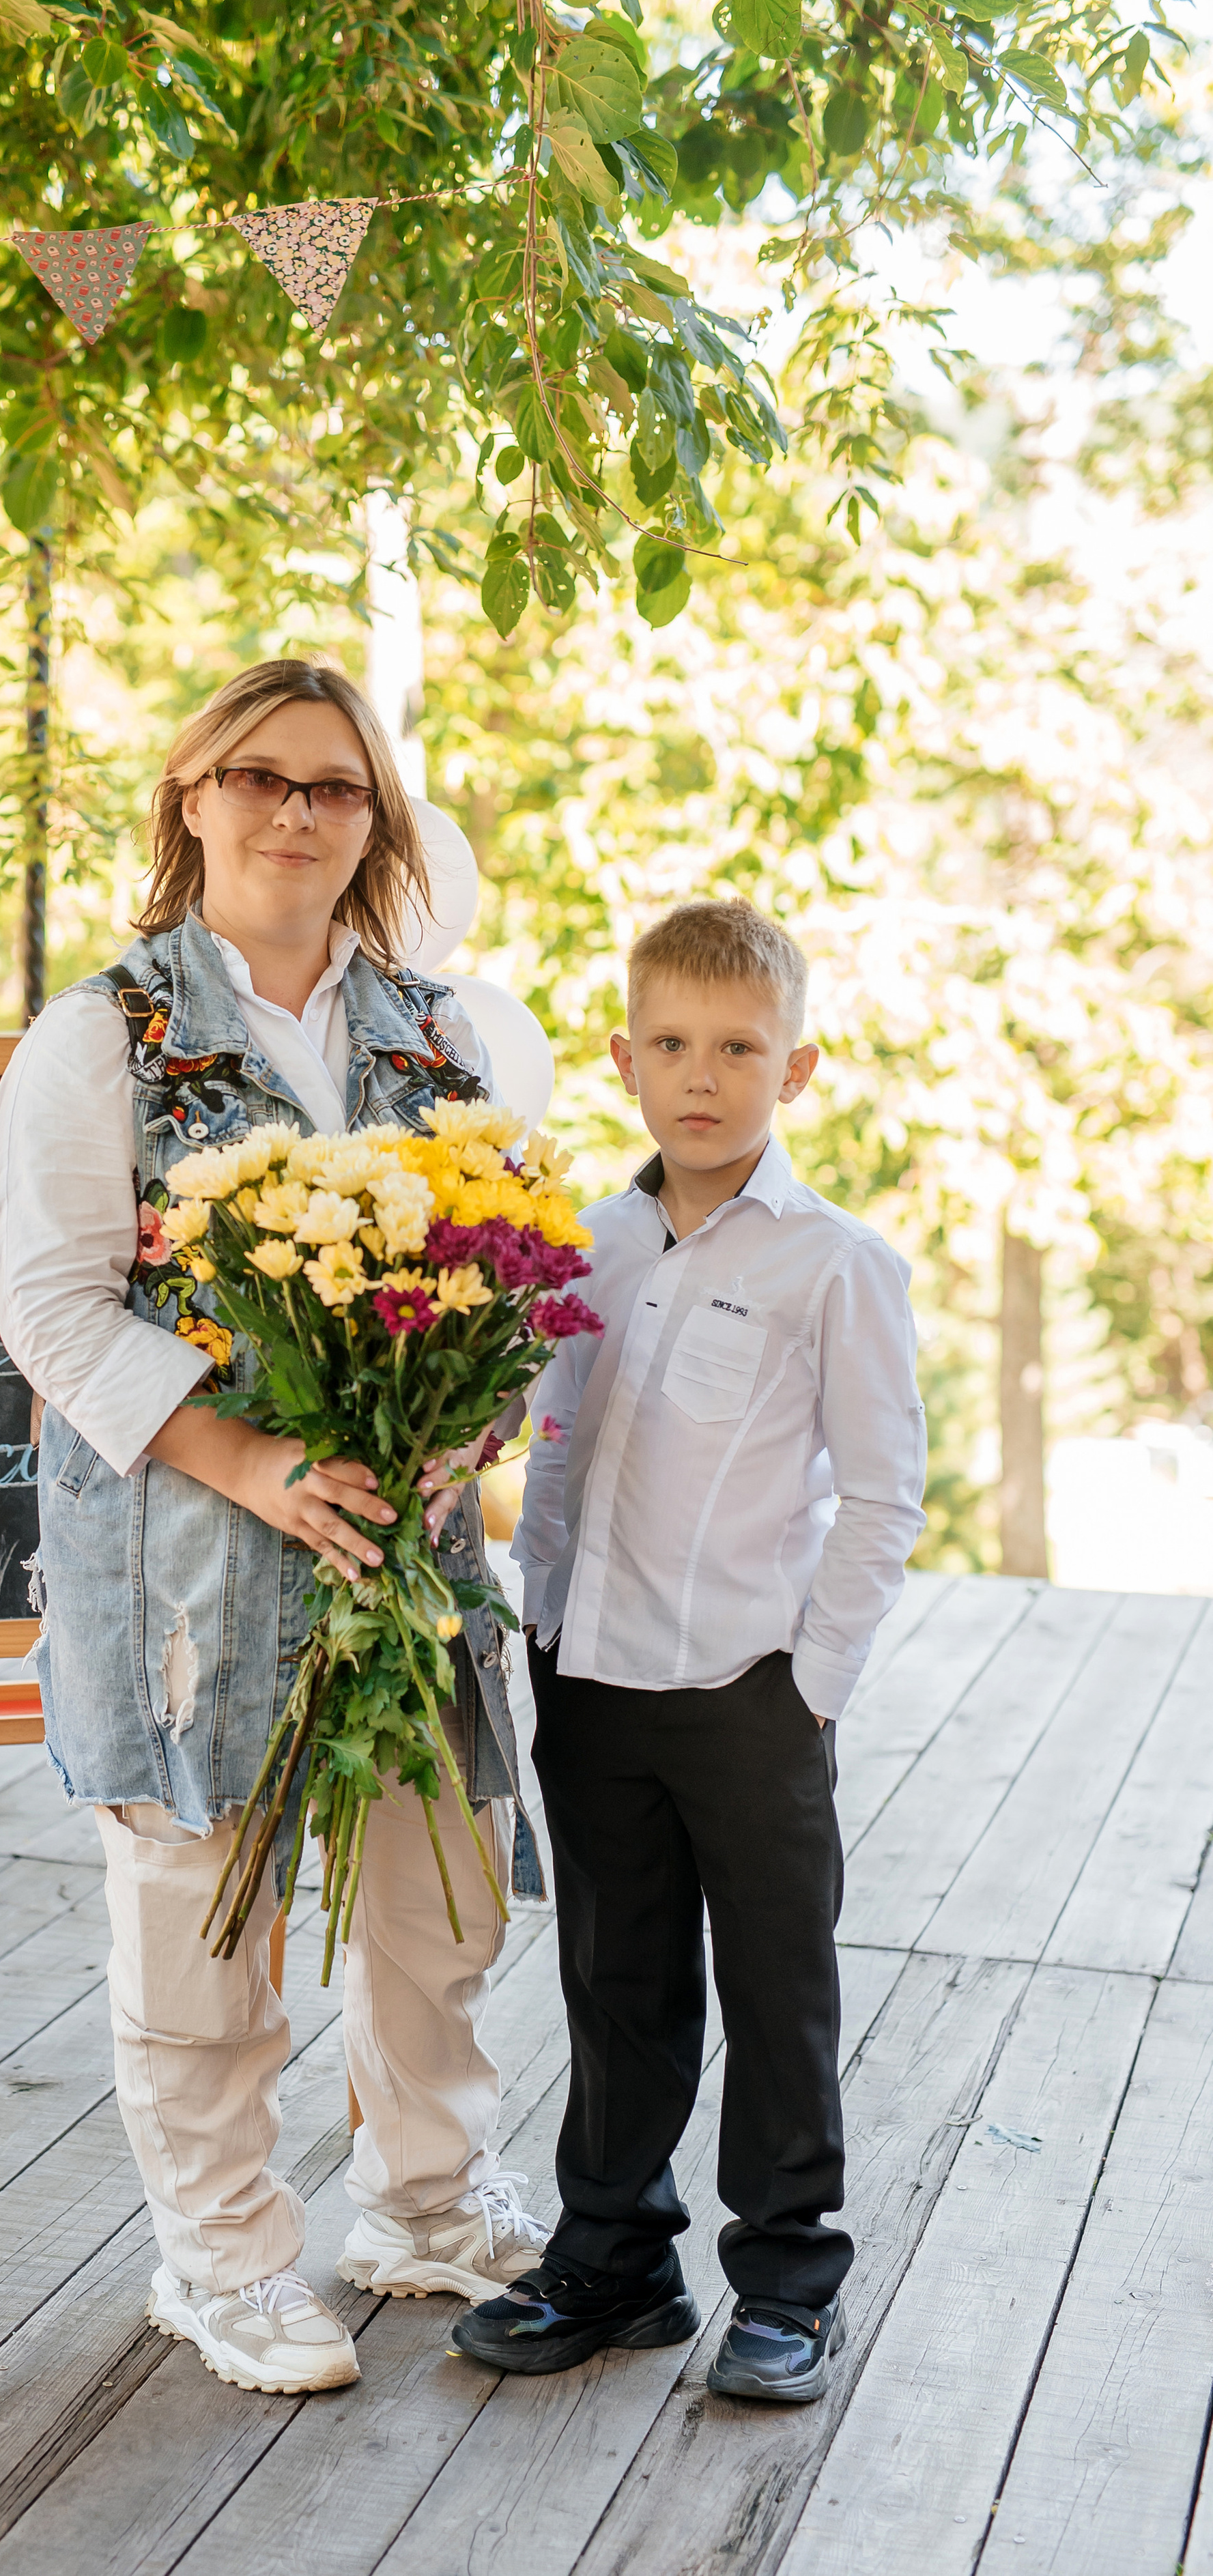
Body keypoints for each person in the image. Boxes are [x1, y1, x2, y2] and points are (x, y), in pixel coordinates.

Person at [0, 657, 547, 2399]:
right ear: (190, 796)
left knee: (433, 1900)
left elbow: (510, 1281)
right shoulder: (103, 1035)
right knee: (198, 1912)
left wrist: (463, 1430)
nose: (294, 813)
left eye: (332, 787)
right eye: (258, 778)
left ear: (374, 819)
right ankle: (222, 2258)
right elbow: (51, 1310)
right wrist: (247, 1466)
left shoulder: (451, 1035)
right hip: (188, 1550)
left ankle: (425, 2204)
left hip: (405, 1540)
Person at [452, 898, 926, 2401]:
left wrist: (811, 1685)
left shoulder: (831, 1264)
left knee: (775, 1988)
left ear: (794, 1073)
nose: (699, 1075)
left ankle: (786, 2282)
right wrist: (540, 1616)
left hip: (745, 1694)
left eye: (736, 1048)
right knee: (613, 1978)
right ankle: (613, 2260)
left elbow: (881, 1492)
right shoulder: (581, 1243)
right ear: (622, 1060)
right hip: (589, 1682)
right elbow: (556, 1439)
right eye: (668, 1044)